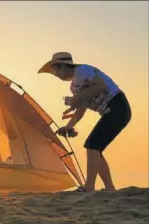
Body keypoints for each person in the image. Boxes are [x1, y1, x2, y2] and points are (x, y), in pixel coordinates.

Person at [38, 52, 132, 192]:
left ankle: (89, 186)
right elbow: (81, 108)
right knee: (95, 147)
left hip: (118, 106)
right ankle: (109, 188)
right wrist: (69, 126)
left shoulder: (83, 71)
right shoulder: (73, 86)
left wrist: (78, 97)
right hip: (111, 111)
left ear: (64, 66)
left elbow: (102, 87)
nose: (55, 74)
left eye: (55, 70)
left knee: (92, 145)